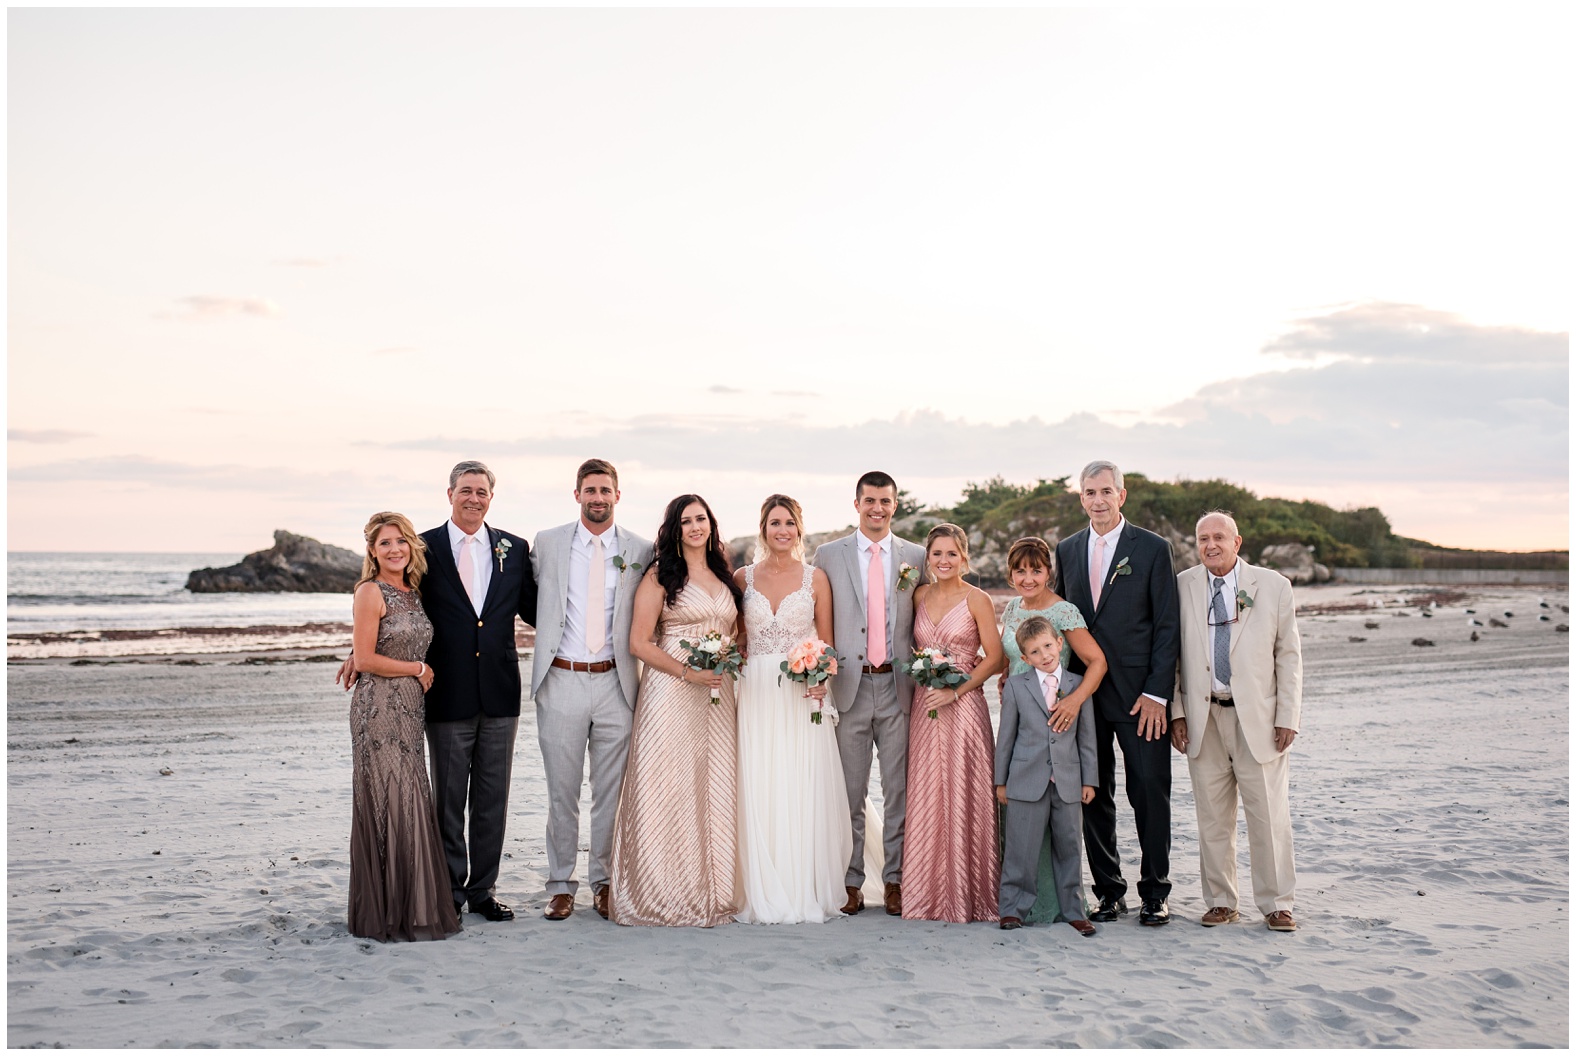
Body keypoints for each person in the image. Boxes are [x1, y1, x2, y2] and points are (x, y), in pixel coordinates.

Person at [337, 461, 538, 923]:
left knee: (493, 798)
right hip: (444, 693)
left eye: (482, 491)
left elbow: (536, 610)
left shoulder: (515, 548)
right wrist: (354, 654)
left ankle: (483, 889)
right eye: (465, 490)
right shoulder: (421, 548)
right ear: (449, 494)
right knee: (447, 800)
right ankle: (449, 890)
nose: (474, 498)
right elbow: (390, 608)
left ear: (492, 497)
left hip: (501, 692)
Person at [1054, 460, 1180, 927]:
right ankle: (1109, 891)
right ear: (1081, 498)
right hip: (1085, 694)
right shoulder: (1067, 549)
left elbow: (1168, 626)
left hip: (1139, 696)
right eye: (1090, 493)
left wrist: (1157, 694)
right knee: (1093, 792)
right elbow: (1061, 621)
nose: (1098, 500)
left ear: (1121, 496)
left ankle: (1155, 892)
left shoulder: (1151, 548)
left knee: (1149, 790)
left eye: (1107, 491)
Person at [608, 494, 742, 927]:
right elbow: (639, 643)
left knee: (715, 783)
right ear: (674, 529)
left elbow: (735, 633)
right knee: (669, 784)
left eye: (701, 518)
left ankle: (715, 888)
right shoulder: (660, 575)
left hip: (718, 696)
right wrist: (688, 673)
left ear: (711, 523)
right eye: (686, 521)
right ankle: (662, 891)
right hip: (670, 693)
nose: (695, 527)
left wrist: (725, 661)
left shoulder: (723, 574)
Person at [529, 459, 654, 921]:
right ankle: (561, 884)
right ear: (576, 494)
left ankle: (603, 883)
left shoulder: (642, 549)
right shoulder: (547, 544)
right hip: (561, 679)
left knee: (610, 791)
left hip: (616, 682)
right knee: (561, 790)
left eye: (605, 490)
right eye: (590, 490)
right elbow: (522, 600)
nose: (597, 498)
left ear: (617, 496)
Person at [1170, 511, 1302, 932]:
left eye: (1219, 538)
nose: (1211, 545)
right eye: (1203, 539)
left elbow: (1289, 656)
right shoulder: (1181, 586)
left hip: (1259, 720)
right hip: (1202, 717)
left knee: (1268, 815)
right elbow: (1168, 656)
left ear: (1237, 542)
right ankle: (1221, 901)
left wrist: (1287, 716)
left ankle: (1277, 903)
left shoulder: (1274, 586)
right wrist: (1176, 712)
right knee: (1212, 817)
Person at [812, 470, 928, 916]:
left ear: (895, 505)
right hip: (849, 686)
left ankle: (896, 880)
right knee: (849, 792)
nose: (877, 508)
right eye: (869, 501)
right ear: (856, 503)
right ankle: (851, 881)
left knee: (898, 791)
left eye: (885, 501)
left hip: (900, 687)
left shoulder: (914, 556)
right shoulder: (828, 555)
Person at [733, 494, 853, 924]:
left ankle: (802, 880)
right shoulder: (742, 577)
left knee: (799, 780)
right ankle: (759, 881)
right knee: (760, 778)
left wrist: (821, 678)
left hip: (802, 693)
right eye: (773, 523)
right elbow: (737, 640)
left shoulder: (815, 579)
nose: (781, 530)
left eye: (788, 523)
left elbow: (828, 642)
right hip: (755, 691)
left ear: (799, 529)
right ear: (762, 528)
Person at [346, 511, 460, 942]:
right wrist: (415, 667)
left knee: (411, 797)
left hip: (410, 709)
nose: (394, 549)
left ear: (411, 546)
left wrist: (410, 671)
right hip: (378, 708)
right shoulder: (370, 591)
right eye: (384, 544)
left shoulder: (412, 592)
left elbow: (375, 643)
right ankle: (391, 911)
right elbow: (366, 659)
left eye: (400, 541)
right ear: (373, 552)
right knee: (391, 799)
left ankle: (414, 905)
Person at [996, 536, 1108, 925]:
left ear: (1049, 571)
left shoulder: (1064, 612)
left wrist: (1074, 701)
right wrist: (1005, 679)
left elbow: (1096, 661)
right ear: (1010, 575)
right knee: (1023, 836)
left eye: (1036, 570)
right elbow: (1011, 658)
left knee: (1065, 838)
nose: (1028, 578)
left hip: (1061, 720)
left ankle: (1067, 906)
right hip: (1023, 719)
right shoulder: (1011, 608)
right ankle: (1018, 906)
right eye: (1020, 571)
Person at [900, 523, 1004, 923]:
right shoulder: (919, 595)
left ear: (965, 557)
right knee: (927, 793)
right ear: (928, 559)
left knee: (964, 791)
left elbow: (994, 658)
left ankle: (969, 894)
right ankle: (926, 894)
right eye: (937, 554)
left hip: (964, 707)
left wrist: (957, 690)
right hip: (926, 705)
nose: (944, 561)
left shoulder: (977, 598)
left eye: (952, 554)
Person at [995, 616, 1098, 936]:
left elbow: (1087, 737)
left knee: (1069, 847)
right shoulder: (1015, 686)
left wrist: (1088, 780)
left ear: (1060, 644)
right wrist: (1001, 781)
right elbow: (1006, 736)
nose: (1044, 655)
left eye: (1048, 646)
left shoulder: (1079, 685)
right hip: (1025, 780)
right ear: (1024, 658)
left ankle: (1074, 910)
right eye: (1035, 652)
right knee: (1020, 849)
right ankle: (1013, 909)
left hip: (1067, 782)